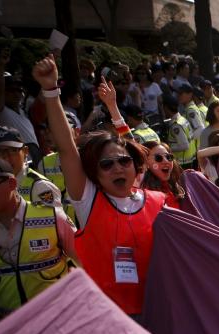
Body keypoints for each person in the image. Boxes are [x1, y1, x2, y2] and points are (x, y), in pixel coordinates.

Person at [34, 54, 167, 318]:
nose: (117, 167)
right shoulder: (89, 199)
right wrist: (50, 91)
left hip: (158, 314)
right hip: (108, 318)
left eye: (123, 161)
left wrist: (114, 109)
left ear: (135, 166)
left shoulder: (156, 200)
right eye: (107, 164)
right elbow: (67, 150)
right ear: (95, 173)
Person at [0, 158, 75, 318]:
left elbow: (84, 262)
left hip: (58, 318)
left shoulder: (53, 217)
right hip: (7, 329)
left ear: (12, 184)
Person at [0, 48, 41, 166]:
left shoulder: (23, 112)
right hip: (16, 156)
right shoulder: (1, 111)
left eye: (19, 90)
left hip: (34, 155)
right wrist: (1, 65)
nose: (16, 93)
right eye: (11, 90)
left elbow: (44, 97)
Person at [0, 125, 61, 207]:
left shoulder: (41, 186)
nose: (6, 156)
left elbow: (54, 219)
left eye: (13, 150)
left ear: (25, 151)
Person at [140, 141, 185, 209]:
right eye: (158, 158)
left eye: (168, 157)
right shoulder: (143, 195)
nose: (166, 161)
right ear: (145, 162)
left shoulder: (177, 185)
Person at [161, 94, 197, 169]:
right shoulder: (183, 119)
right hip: (190, 160)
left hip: (183, 163)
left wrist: (168, 147)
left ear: (166, 108)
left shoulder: (176, 125)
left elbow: (184, 145)